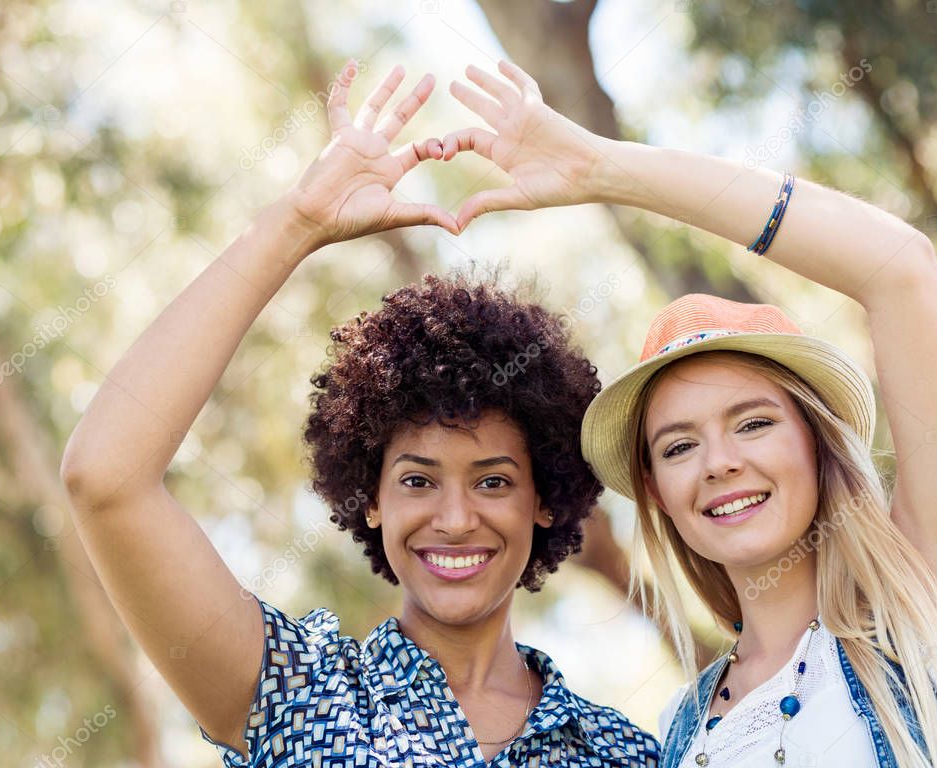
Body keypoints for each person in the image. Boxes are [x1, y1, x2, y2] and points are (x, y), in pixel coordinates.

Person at [60, 60, 660, 767]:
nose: (456, 517)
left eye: (494, 480)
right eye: (417, 480)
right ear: (370, 499)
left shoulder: (626, 753)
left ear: (546, 499)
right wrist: (298, 222)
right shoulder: (293, 694)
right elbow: (105, 477)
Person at [440, 60, 937, 767]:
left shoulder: (930, 611)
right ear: (657, 492)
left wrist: (602, 168)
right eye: (679, 447)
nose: (719, 463)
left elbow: (900, 267)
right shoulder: (682, 735)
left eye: (753, 423)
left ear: (817, 443)